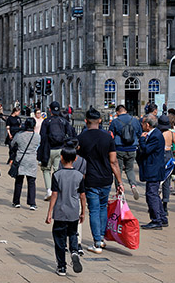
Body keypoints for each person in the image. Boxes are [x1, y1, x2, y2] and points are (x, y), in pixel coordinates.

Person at [77, 107, 124, 253]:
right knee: (103, 207)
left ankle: (97, 242)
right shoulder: (108, 137)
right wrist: (120, 182)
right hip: (105, 178)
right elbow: (113, 161)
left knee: (94, 210)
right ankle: (101, 238)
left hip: (90, 178)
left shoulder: (82, 138)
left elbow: (78, 159)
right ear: (100, 120)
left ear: (86, 121)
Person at [45, 144, 85, 277]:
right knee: (73, 233)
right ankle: (74, 251)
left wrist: (49, 212)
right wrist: (83, 211)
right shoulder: (79, 176)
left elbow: (54, 194)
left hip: (60, 211)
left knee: (59, 239)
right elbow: (82, 195)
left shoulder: (57, 175)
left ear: (61, 158)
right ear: (75, 159)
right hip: (74, 209)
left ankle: (62, 267)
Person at [39, 101, 76, 201]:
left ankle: (49, 190)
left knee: (46, 169)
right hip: (60, 149)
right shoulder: (63, 121)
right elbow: (70, 135)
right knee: (57, 170)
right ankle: (58, 190)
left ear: (50, 110)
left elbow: (42, 137)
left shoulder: (46, 121)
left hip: (48, 149)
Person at [138, 115, 168, 229]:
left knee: (151, 195)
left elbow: (146, 150)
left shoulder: (155, 135)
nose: (142, 126)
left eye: (143, 124)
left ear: (148, 125)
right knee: (154, 194)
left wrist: (141, 139)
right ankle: (162, 218)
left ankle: (156, 220)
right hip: (153, 168)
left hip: (154, 169)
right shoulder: (154, 134)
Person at [108, 104, 142, 200]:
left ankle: (119, 190)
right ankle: (133, 186)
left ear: (118, 112)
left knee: (117, 170)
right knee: (129, 169)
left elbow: (111, 135)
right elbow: (140, 133)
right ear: (126, 111)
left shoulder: (115, 121)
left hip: (119, 148)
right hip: (132, 148)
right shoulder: (135, 120)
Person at [9, 117, 41, 209]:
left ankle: (16, 202)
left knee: (19, 181)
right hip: (32, 159)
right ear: (34, 126)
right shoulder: (37, 136)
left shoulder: (19, 135)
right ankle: (32, 203)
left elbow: (12, 144)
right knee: (31, 182)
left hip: (20, 159)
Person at [157, 114, 175, 215]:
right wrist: (173, 154)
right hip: (169, 154)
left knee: (157, 180)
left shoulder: (158, 133)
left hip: (160, 155)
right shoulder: (172, 134)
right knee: (167, 181)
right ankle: (165, 205)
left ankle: (156, 203)